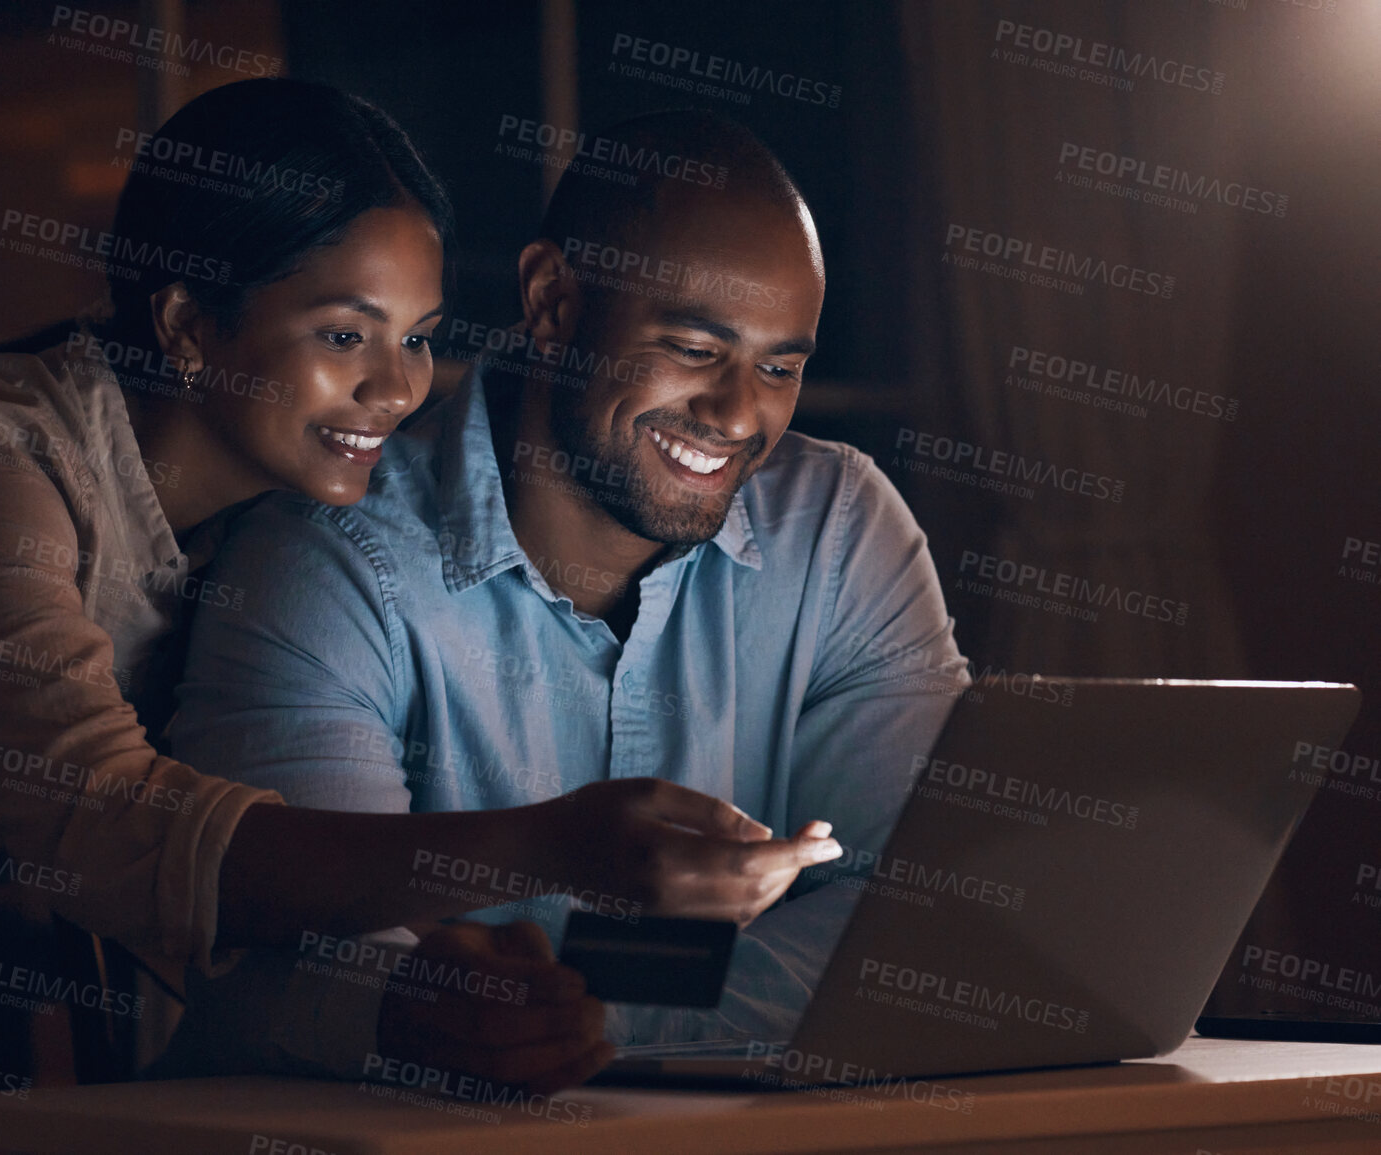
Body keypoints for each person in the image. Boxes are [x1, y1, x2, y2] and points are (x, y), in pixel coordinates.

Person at [0, 83, 835, 1152]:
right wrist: (556, 842)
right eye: (341, 334)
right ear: (182, 324)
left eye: (417, 337)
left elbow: (245, 884)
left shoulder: (256, 542)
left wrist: (423, 985)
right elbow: (112, 828)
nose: (396, 386)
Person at [163, 109, 969, 1080]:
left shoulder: (838, 529)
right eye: (696, 348)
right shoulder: (327, 560)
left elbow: (919, 916)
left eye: (780, 367)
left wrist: (583, 1021)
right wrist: (423, 1015)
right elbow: (292, 956)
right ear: (552, 300)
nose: (739, 413)